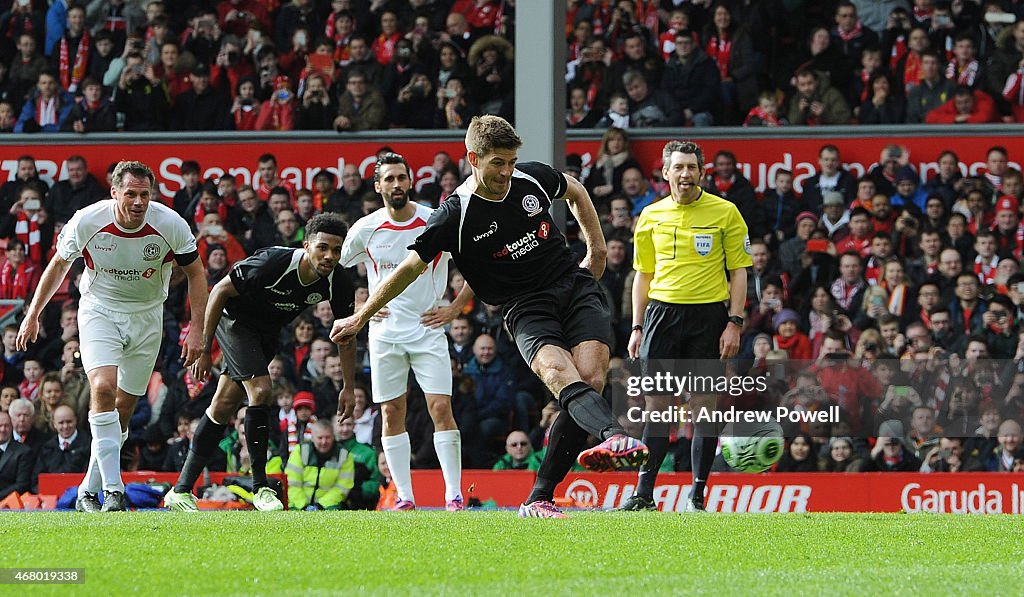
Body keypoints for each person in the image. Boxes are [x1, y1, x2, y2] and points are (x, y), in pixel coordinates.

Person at [331, 115, 648, 519]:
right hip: (524, 305)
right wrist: (361, 316)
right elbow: (409, 267)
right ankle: (615, 438)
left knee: (592, 379)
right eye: (497, 162)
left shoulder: (529, 180)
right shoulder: (454, 214)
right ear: (473, 159)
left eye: (512, 161)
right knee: (557, 373)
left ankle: (539, 497)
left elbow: (575, 190)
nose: (506, 172)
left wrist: (597, 250)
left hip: (573, 283)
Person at [16, 161, 209, 513]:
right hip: (99, 310)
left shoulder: (170, 224)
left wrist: (198, 329)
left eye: (145, 195)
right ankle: (114, 490)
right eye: (131, 194)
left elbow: (196, 273)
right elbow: (59, 265)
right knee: (103, 387)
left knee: (121, 412)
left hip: (148, 316)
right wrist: (33, 312)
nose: (138, 202)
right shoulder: (87, 220)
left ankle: (88, 490)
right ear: (114, 192)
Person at [164, 213, 357, 512]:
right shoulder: (274, 263)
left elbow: (346, 333)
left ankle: (181, 490)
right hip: (235, 322)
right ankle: (261, 488)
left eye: (336, 250)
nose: (329, 256)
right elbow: (219, 291)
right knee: (262, 392)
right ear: (306, 245)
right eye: (322, 247)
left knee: (222, 406)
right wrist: (203, 347)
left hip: (265, 335)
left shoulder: (339, 282)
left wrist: (348, 386)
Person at [618, 139, 751, 512]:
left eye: (691, 167)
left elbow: (738, 271)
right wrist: (636, 326)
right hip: (661, 317)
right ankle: (644, 493)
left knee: (703, 409)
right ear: (666, 172)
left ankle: (697, 496)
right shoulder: (650, 215)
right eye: (678, 167)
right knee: (657, 410)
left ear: (701, 172)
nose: (685, 174)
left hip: (708, 317)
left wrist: (734, 322)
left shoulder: (725, 212)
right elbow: (643, 276)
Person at [340, 152, 471, 511]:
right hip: (384, 333)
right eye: (390, 179)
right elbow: (336, 269)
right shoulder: (365, 229)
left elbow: (476, 261)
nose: (397, 184)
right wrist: (360, 307)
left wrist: (456, 308)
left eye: (402, 177)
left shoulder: (435, 220)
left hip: (428, 329)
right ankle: (405, 497)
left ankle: (454, 495)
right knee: (390, 412)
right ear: (378, 186)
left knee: (440, 407)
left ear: (410, 181)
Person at [285, 420, 355, 510]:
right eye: (320, 438)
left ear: (333, 437)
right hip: (298, 505)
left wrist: (321, 505)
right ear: (313, 437)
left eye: (328, 437)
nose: (324, 442)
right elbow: (292, 483)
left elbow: (342, 487)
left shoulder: (344, 455)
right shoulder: (300, 451)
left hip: (329, 506)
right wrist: (303, 506)